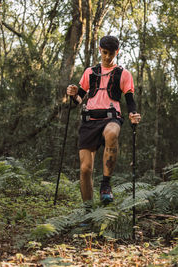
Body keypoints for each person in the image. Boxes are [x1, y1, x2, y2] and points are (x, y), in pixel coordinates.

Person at [67, 35, 141, 209]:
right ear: (100, 50)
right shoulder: (89, 72)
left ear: (117, 52)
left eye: (111, 54)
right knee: (85, 169)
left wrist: (133, 114)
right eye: (105, 52)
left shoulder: (123, 74)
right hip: (89, 120)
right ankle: (88, 210)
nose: (108, 57)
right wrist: (73, 94)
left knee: (112, 133)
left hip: (111, 117)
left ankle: (105, 184)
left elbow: (130, 99)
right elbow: (79, 100)